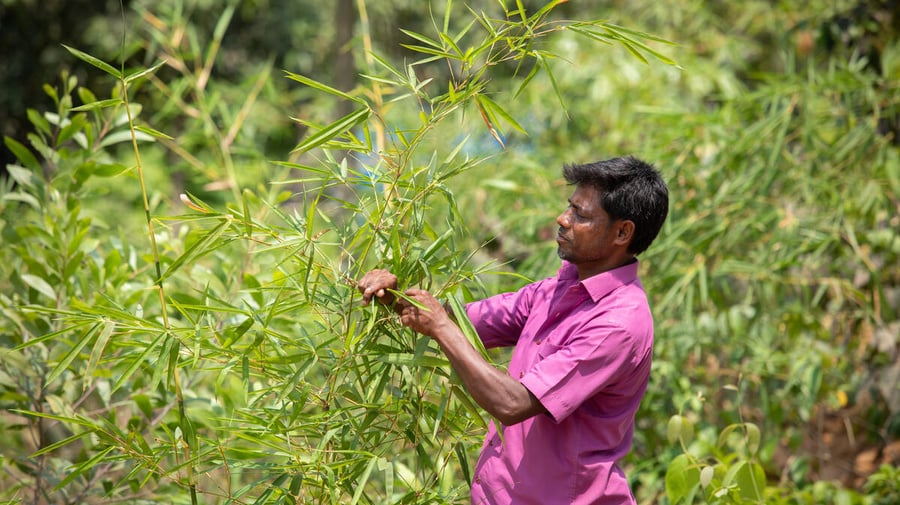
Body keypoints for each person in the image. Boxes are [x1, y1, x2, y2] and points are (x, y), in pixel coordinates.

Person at [358, 156, 669, 505]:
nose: (562, 219)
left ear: (622, 232)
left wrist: (441, 328)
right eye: (569, 207)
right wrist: (393, 294)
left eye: (580, 215)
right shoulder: (555, 290)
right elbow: (454, 319)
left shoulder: (618, 323)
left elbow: (512, 402)